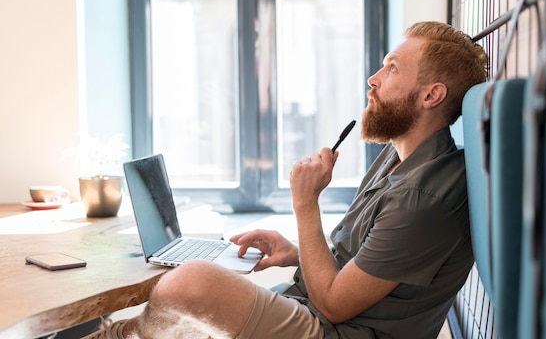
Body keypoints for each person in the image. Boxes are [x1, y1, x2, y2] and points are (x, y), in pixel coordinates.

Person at [85, 21, 488, 339]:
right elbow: (359, 264)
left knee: (191, 283)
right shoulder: (397, 159)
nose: (374, 78)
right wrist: (296, 252)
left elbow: (333, 305)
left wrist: (305, 204)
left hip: (339, 330)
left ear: (431, 96)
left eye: (393, 68)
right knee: (189, 304)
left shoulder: (424, 197)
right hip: (317, 311)